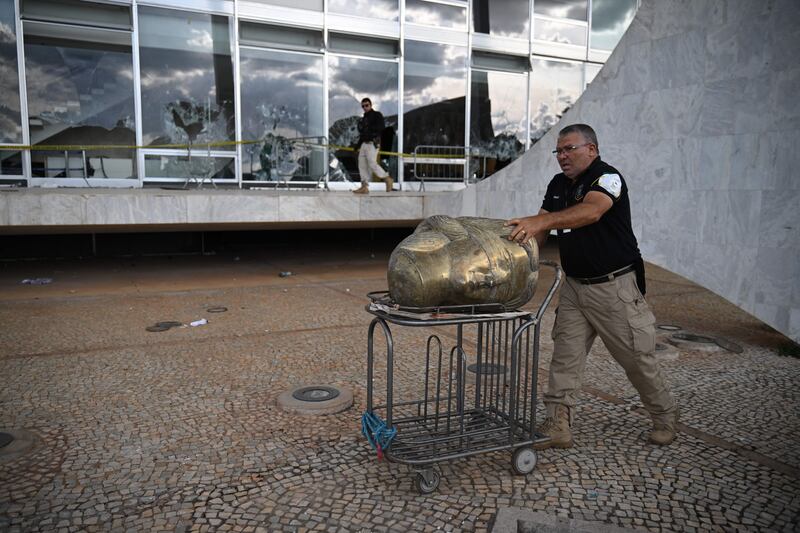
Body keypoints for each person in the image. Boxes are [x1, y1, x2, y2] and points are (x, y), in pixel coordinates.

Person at [506, 123, 678, 448]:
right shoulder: (558, 185)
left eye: (569, 148)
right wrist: (511, 252)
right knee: (564, 358)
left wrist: (541, 221)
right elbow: (539, 232)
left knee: (637, 360)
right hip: (574, 288)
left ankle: (665, 415)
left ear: (592, 149)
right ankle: (558, 424)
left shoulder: (607, 178)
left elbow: (591, 212)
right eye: (558, 150)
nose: (562, 156)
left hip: (614, 288)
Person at [353, 98, 393, 194]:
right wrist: (357, 146)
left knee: (372, 163)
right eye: (363, 106)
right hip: (364, 144)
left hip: (373, 143)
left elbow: (381, 128)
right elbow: (362, 134)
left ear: (370, 105)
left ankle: (387, 178)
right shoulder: (364, 119)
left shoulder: (377, 115)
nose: (365, 107)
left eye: (366, 105)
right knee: (361, 165)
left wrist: (369, 129)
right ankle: (364, 186)